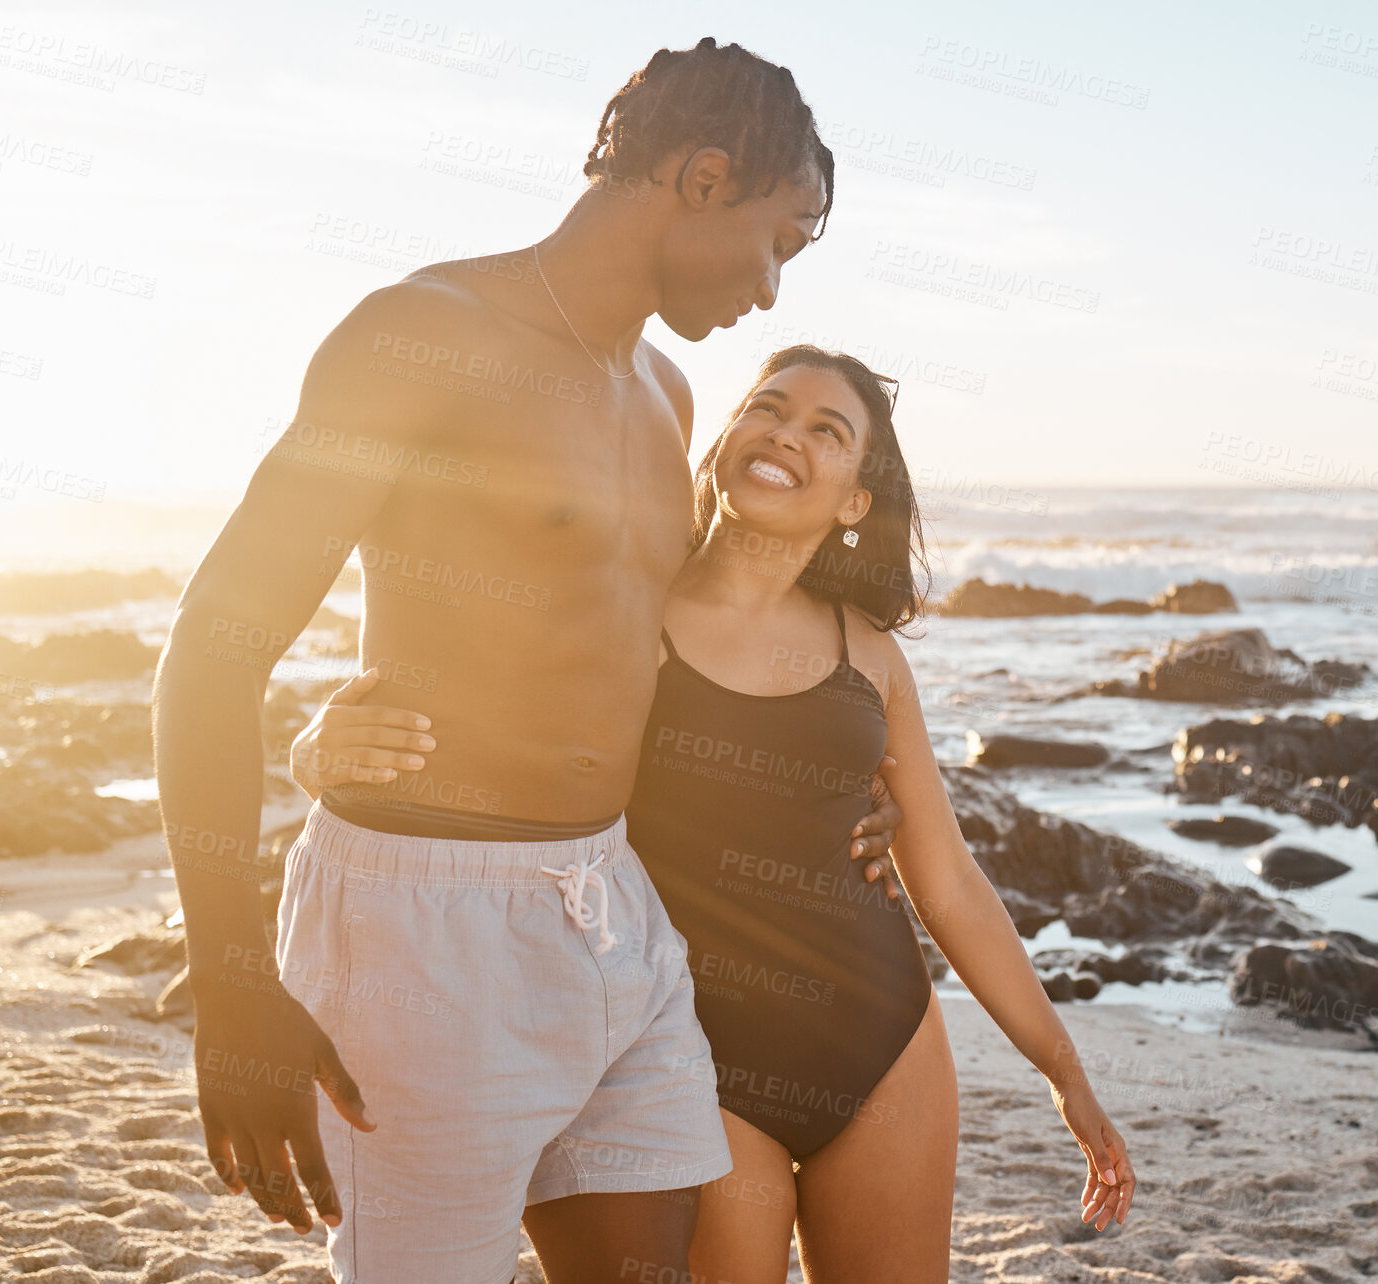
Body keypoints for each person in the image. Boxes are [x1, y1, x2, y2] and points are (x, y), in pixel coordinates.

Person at [152, 40, 905, 1284]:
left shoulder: (665, 395)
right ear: (705, 178)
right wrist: (229, 984)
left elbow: (657, 645)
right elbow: (210, 649)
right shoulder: (419, 338)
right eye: (780, 240)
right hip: (416, 920)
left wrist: (838, 779)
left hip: (609, 907)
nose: (772, 292)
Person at [295, 346, 1138, 1281]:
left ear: (857, 499)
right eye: (767, 410)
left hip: (885, 1039)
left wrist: (1063, 1072)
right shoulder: (625, 614)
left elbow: (949, 882)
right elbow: (471, 742)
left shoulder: (871, 656)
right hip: (692, 1058)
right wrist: (315, 751)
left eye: (828, 431)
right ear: (725, 441)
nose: (786, 433)